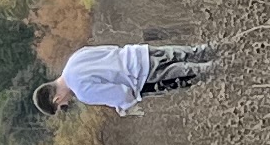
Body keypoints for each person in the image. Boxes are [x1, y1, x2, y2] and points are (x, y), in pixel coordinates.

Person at [36, 38, 217, 116]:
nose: (66, 104)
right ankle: (228, 47)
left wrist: (124, 109)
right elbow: (110, 49)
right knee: (196, 52)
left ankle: (227, 66)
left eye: (61, 106)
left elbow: (123, 94)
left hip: (143, 78)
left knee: (200, 73)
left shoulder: (82, 92)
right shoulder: (74, 58)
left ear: (57, 99)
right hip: (140, 53)